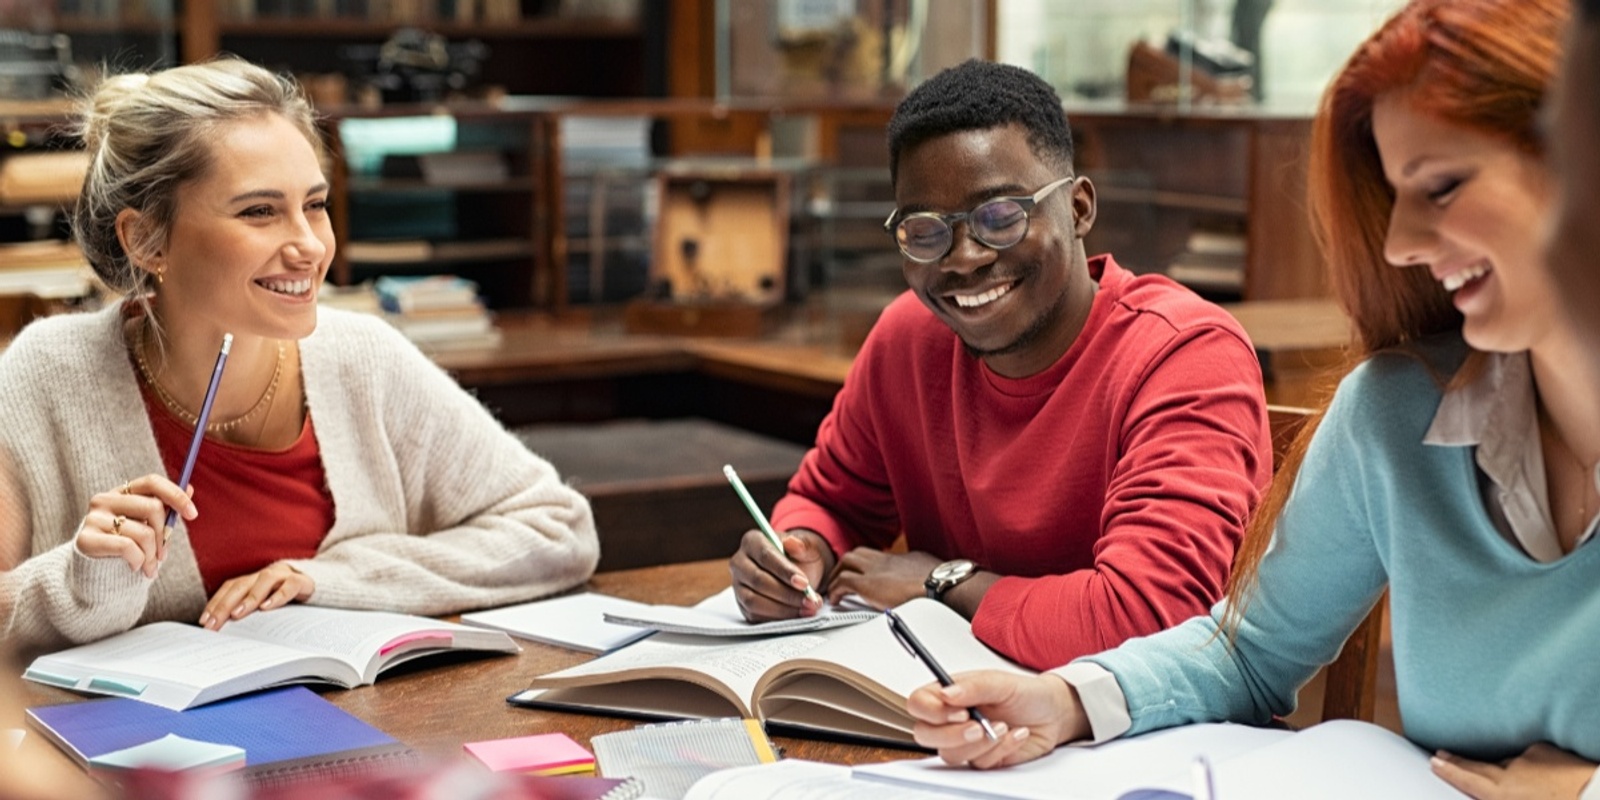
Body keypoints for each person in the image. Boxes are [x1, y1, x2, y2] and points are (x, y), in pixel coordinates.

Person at [906, 1, 1600, 797]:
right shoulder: (1396, 412)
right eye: (1396, 194)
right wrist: (1068, 701)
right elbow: (1249, 651)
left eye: (1441, 185)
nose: (1401, 244)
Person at [0, 58, 599, 656]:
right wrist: (79, 582)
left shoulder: (363, 358)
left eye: (314, 205)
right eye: (259, 211)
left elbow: (557, 528)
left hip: (365, 734)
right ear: (146, 239)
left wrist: (335, 580)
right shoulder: (46, 376)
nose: (311, 247)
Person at [730, 59, 1273, 670]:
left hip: (1146, 742)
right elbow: (832, 500)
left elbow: (1148, 617)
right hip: (957, 727)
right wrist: (803, 551)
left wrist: (944, 583)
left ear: (1079, 208)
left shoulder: (1184, 356)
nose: (962, 259)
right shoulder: (908, 340)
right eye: (925, 230)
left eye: (1000, 218)